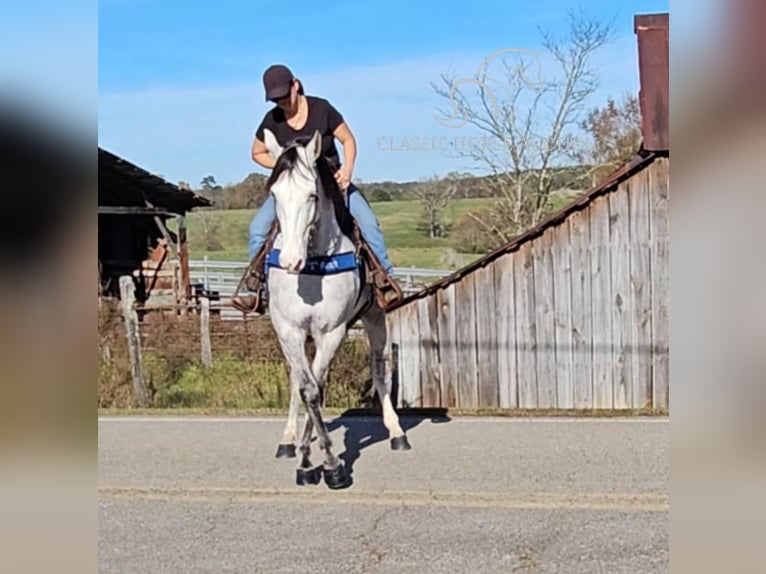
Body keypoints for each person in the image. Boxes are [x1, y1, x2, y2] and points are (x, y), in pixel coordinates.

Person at [235, 64, 400, 312]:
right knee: (258, 228)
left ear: (295, 85)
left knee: (368, 224)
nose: (281, 102)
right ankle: (256, 287)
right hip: (294, 187)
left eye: (283, 96)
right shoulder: (272, 120)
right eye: (275, 99)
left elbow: (348, 140)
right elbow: (256, 152)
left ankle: (384, 280)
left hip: (332, 182)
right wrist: (284, 167)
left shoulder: (322, 109)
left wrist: (347, 171)